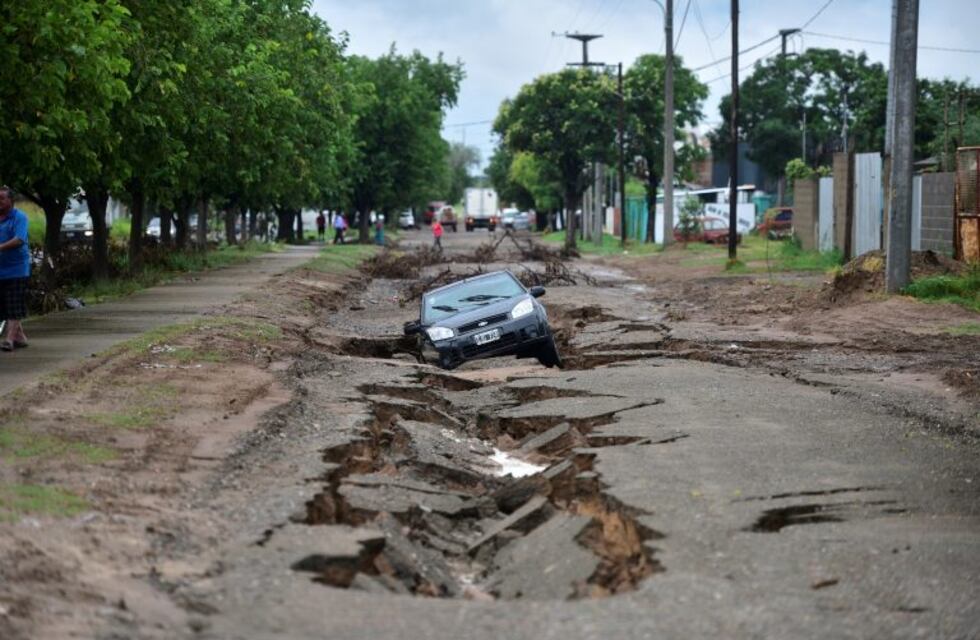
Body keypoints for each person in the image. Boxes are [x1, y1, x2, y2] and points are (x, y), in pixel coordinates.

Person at [0, 186, 30, 351]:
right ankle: (20, 337)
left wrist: (0, 247)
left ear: (11, 201)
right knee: (6, 305)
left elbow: (19, 239)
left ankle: (9, 340)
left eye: (2, 199)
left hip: (17, 269)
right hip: (1, 269)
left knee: (14, 304)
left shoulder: (19, 217)